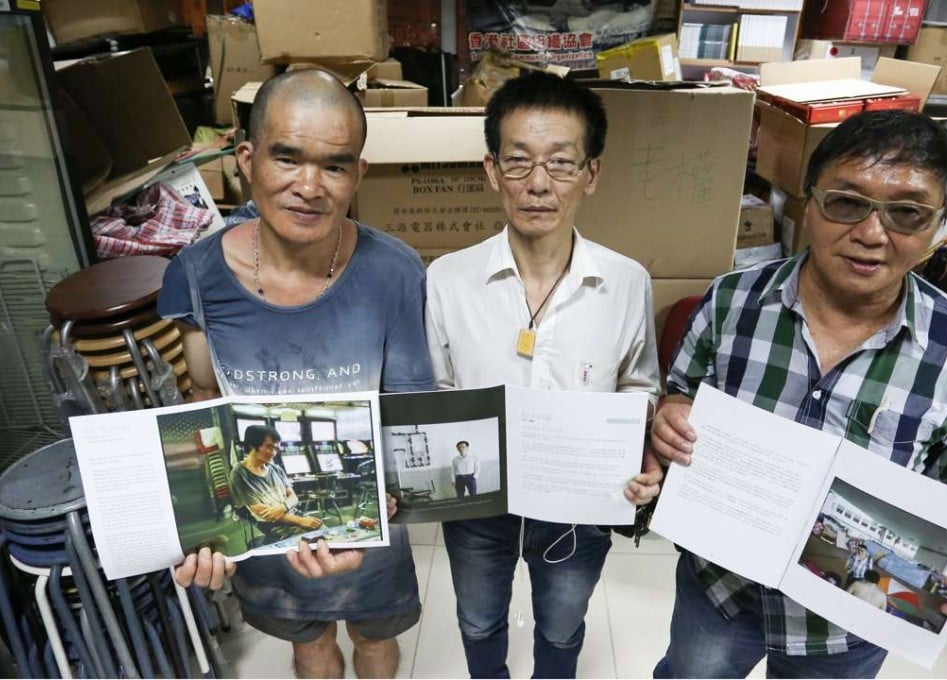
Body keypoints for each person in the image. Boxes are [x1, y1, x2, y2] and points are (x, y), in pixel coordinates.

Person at [651, 109, 947, 679]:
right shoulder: (730, 302)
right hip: (718, 587)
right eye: (847, 202)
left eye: (907, 213)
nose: (872, 234)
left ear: (939, 223)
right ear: (809, 201)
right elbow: (682, 391)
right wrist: (672, 416)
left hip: (850, 620)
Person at [157, 68, 435, 678]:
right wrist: (204, 526)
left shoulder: (394, 271)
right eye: (287, 158)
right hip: (266, 522)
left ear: (358, 174)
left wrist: (377, 509)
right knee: (308, 647)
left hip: (367, 522)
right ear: (247, 158)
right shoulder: (196, 275)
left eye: (334, 165)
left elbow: (411, 407)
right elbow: (202, 401)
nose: (309, 186)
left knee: (375, 641)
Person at [426, 71, 663, 679]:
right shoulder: (448, 279)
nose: (538, 185)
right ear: (490, 170)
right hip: (478, 503)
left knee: (562, 629)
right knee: (478, 622)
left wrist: (639, 457)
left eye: (560, 164)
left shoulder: (626, 280)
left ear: (591, 175)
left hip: (581, 507)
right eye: (519, 163)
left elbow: (640, 385)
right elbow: (436, 392)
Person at [231, 425, 324, 545]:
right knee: (310, 544)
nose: (273, 453)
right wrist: (301, 521)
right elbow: (262, 512)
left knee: (325, 534)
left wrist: (283, 507)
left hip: (294, 514)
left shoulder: (276, 469)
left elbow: (293, 497)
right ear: (252, 445)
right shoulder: (239, 474)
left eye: (276, 448)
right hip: (273, 525)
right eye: (269, 447)